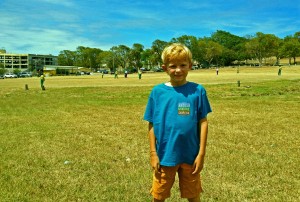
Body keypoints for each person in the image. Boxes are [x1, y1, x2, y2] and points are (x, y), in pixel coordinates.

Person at [143, 43, 212, 202]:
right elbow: (151, 123)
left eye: (183, 65)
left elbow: (203, 122)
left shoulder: (197, 90)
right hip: (165, 155)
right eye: (173, 66)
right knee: (159, 195)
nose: (178, 70)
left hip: (190, 155)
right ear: (164, 67)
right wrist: (153, 154)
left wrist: (201, 154)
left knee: (193, 195)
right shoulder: (157, 92)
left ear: (190, 66)